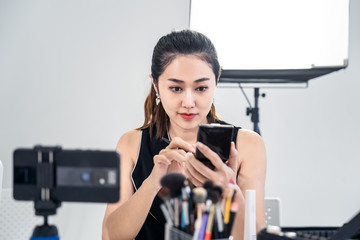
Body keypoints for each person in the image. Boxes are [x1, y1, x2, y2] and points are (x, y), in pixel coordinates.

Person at [102, 29, 266, 240]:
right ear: (156, 86)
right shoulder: (131, 144)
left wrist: (229, 191)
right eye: (176, 88)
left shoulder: (247, 145)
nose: (188, 103)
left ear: (216, 83)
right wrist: (152, 183)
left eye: (201, 88)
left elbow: (255, 237)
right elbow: (110, 236)